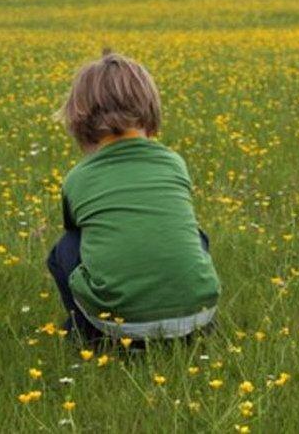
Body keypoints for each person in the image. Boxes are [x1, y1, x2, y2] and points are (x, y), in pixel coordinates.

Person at [47, 51, 220, 345]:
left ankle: (86, 331)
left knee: (66, 248)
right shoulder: (173, 162)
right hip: (199, 314)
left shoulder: (78, 177)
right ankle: (191, 330)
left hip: (119, 325)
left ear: (79, 122)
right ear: (150, 112)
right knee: (196, 236)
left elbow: (76, 231)